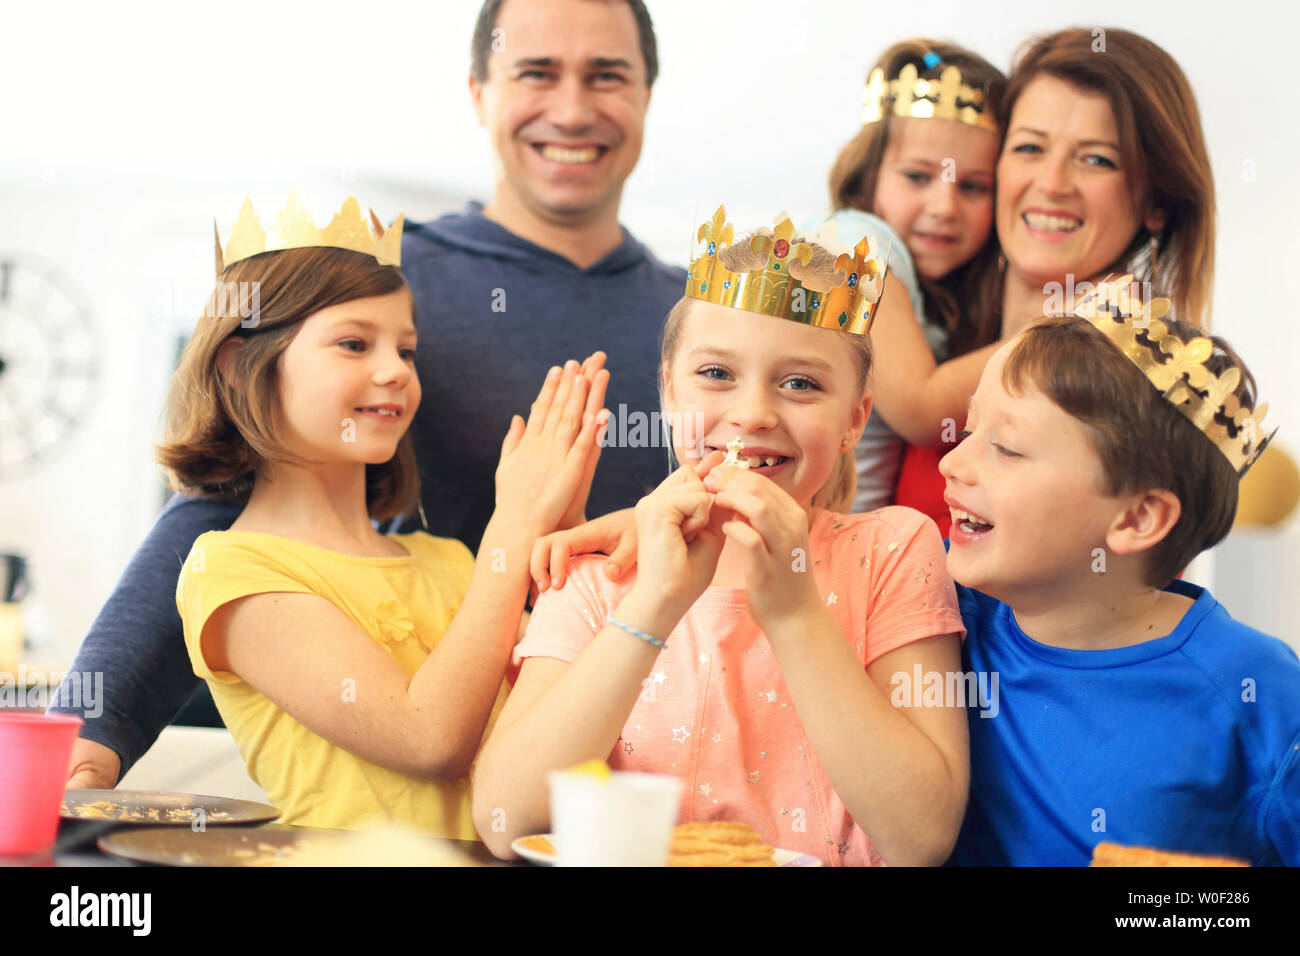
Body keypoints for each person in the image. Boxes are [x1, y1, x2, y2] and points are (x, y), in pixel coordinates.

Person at [54, 0, 683, 789]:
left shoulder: (705, 328)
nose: (571, 107)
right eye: (535, 72)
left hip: (645, 782)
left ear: (648, 96)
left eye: (607, 75)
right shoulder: (379, 284)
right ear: (479, 91)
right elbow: (229, 505)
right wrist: (93, 728)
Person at [473, 213, 969, 866]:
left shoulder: (892, 551)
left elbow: (921, 839)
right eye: (715, 375)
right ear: (667, 392)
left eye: (801, 384)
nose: (754, 413)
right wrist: (651, 604)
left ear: (855, 418)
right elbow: (504, 818)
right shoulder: (600, 576)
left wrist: (794, 615)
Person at [165, 197, 606, 835]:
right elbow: (429, 740)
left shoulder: (449, 561)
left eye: (407, 350)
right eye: (353, 343)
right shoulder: (232, 571)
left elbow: (575, 720)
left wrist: (566, 526)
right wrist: (514, 524)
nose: (394, 371)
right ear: (239, 364)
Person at [941, 279, 1299, 865]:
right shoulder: (935, 612)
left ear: (1136, 518)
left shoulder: (1259, 691)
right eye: (970, 428)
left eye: (1005, 448)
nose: (952, 461)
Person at [895, 26, 1216, 534]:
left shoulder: (1135, 383)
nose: (1051, 184)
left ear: (1157, 203)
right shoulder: (924, 329)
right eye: (1029, 148)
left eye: (1097, 159)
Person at [819, 40, 1008, 512]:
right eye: (918, 177)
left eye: (972, 186)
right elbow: (922, 411)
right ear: (865, 173)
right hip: (815, 540)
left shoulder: (939, 290)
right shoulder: (857, 244)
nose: (944, 207)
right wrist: (1064, 320)